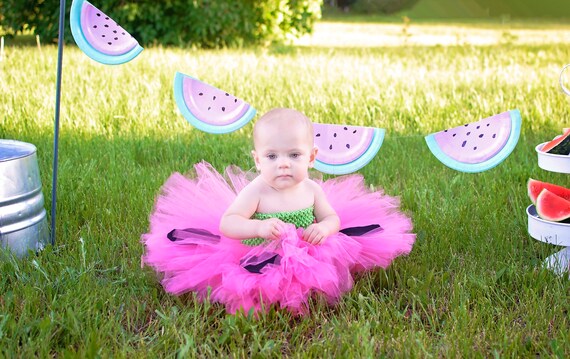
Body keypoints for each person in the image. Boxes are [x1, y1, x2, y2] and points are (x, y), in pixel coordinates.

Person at [142, 108, 415, 315]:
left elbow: (332, 218)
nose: (283, 164)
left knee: (323, 271)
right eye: (272, 156)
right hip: (259, 252)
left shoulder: (311, 190)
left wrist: (323, 228)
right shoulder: (256, 191)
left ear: (311, 157)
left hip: (307, 250)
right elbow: (228, 223)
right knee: (256, 285)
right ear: (257, 160)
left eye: (294, 155)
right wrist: (257, 228)